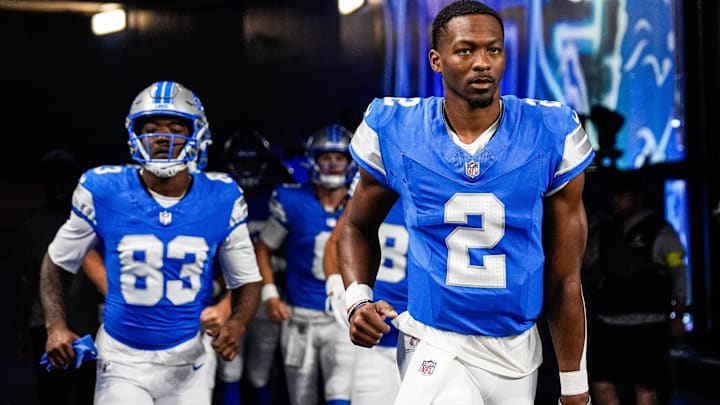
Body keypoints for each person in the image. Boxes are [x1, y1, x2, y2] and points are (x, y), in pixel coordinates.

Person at [338, 1, 595, 404]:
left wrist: (575, 387)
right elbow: (355, 226)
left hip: (516, 350)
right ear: (436, 61)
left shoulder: (549, 132)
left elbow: (566, 279)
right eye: (465, 50)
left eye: (493, 50)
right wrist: (357, 299)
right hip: (435, 341)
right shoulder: (398, 129)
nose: (482, 63)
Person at [39, 80, 262, 405]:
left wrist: (237, 323)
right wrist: (55, 325)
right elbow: (58, 262)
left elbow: (247, 279)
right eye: (152, 128)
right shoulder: (103, 188)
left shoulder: (222, 195)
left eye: (175, 127)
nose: (162, 137)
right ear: (134, 134)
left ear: (197, 135)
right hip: (122, 358)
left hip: (190, 360)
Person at [254, 124, 357, 405]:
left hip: (342, 317)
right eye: (327, 157)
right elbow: (263, 247)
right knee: (302, 399)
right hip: (300, 318)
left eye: (340, 158)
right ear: (314, 160)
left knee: (341, 397)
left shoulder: (361, 204)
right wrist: (270, 294)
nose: (333, 164)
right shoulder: (292, 200)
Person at [586, 169, 687, 405]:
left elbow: (678, 272)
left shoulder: (661, 231)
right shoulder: (607, 230)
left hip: (647, 324)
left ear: (638, 196)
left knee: (644, 387)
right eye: (614, 195)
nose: (616, 201)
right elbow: (589, 262)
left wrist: (679, 314)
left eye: (622, 195)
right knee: (601, 382)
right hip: (610, 322)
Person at [211, 130, 295, 405]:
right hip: (227, 296)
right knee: (229, 371)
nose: (247, 168)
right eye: (241, 162)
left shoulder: (278, 195)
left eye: (252, 161)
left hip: (268, 295)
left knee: (261, 374)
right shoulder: (218, 196)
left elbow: (296, 248)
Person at [16, 149, 102, 405]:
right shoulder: (33, 225)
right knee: (51, 391)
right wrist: (21, 326)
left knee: (89, 389)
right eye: (51, 178)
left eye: (63, 178)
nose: (57, 185)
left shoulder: (94, 222)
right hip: (44, 323)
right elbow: (26, 278)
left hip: (87, 322)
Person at [323, 173, 408, 405]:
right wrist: (340, 289)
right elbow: (339, 239)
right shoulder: (379, 174)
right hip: (378, 337)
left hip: (431, 340)